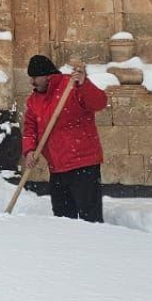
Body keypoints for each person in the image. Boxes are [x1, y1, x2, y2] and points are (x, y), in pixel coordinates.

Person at [21, 54, 109, 222]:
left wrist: (84, 84)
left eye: (35, 77)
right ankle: (68, 248)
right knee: (62, 219)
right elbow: (30, 128)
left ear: (48, 76)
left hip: (83, 164)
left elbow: (99, 103)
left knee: (90, 218)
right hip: (57, 167)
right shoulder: (33, 101)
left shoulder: (72, 86)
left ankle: (93, 246)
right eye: (30, 78)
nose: (32, 82)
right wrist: (30, 150)